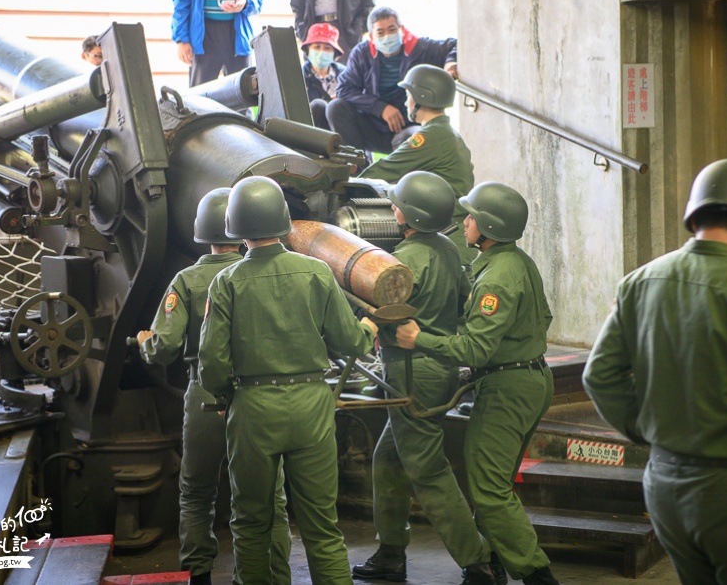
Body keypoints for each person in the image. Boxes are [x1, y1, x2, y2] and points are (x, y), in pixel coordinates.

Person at [583, 158, 727, 585]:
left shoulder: (639, 283)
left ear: (695, 216)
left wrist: (646, 430)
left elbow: (599, 376)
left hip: (664, 487)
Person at [198, 176, 378, 585]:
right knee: (322, 527)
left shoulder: (225, 283)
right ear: (283, 222)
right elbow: (348, 340)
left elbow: (212, 362)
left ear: (236, 228)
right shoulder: (316, 272)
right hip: (312, 406)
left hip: (253, 410)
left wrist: (228, 396)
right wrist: (367, 328)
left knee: (252, 524)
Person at [395, 182, 559, 585]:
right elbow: (544, 319)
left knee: (488, 490)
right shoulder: (514, 262)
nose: (464, 221)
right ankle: (496, 564)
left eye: (471, 216)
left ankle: (537, 574)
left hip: (508, 388)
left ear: (486, 228)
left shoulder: (496, 279)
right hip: (528, 377)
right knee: (496, 482)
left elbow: (475, 348)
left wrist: (421, 340)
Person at [136, 188, 291, 585]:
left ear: (202, 232)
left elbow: (165, 346)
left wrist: (143, 343)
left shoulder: (186, 281)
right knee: (266, 496)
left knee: (197, 490)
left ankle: (199, 574)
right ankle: (270, 575)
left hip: (204, 395)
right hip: (258, 395)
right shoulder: (263, 272)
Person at [353, 172, 498, 585]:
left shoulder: (405, 260)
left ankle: (479, 561)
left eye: (396, 202)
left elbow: (385, 312)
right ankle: (391, 551)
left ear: (407, 214)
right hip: (438, 368)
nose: (392, 207)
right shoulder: (450, 250)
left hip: (412, 371)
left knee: (429, 471)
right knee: (388, 458)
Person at [359, 65, 475, 263]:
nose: (406, 101)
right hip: (454, 235)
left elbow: (385, 170)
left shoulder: (431, 136)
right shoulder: (445, 132)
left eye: (408, 94)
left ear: (422, 97)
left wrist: (351, 185)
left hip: (446, 238)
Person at [326, 7, 457, 155]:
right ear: (371, 36)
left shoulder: (421, 48)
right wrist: (380, 108)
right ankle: (356, 169)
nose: (387, 36)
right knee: (335, 107)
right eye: (380, 33)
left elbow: (455, 44)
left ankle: (401, 178)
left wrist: (451, 64)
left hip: (408, 127)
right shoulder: (361, 53)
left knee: (414, 138)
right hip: (374, 125)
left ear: (401, 29)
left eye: (392, 30)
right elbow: (344, 89)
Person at [301, 22, 346, 129]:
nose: (322, 52)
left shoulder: (346, 75)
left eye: (327, 48)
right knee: (318, 105)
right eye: (317, 47)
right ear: (308, 50)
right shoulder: (298, 77)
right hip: (311, 131)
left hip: (341, 129)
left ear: (334, 53)